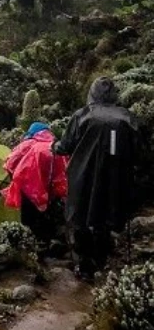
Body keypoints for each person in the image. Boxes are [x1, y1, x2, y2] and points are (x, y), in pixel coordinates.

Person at [53, 77, 141, 281]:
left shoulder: (82, 115)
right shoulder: (126, 117)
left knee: (80, 218)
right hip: (116, 179)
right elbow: (140, 151)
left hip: (84, 177)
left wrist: (55, 146)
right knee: (106, 216)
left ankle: (85, 267)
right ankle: (102, 260)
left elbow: (65, 146)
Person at [2, 122, 68, 243]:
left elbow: (9, 163)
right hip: (53, 193)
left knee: (30, 220)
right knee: (48, 220)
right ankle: (50, 243)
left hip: (29, 190)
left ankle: (33, 246)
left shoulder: (29, 144)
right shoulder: (57, 146)